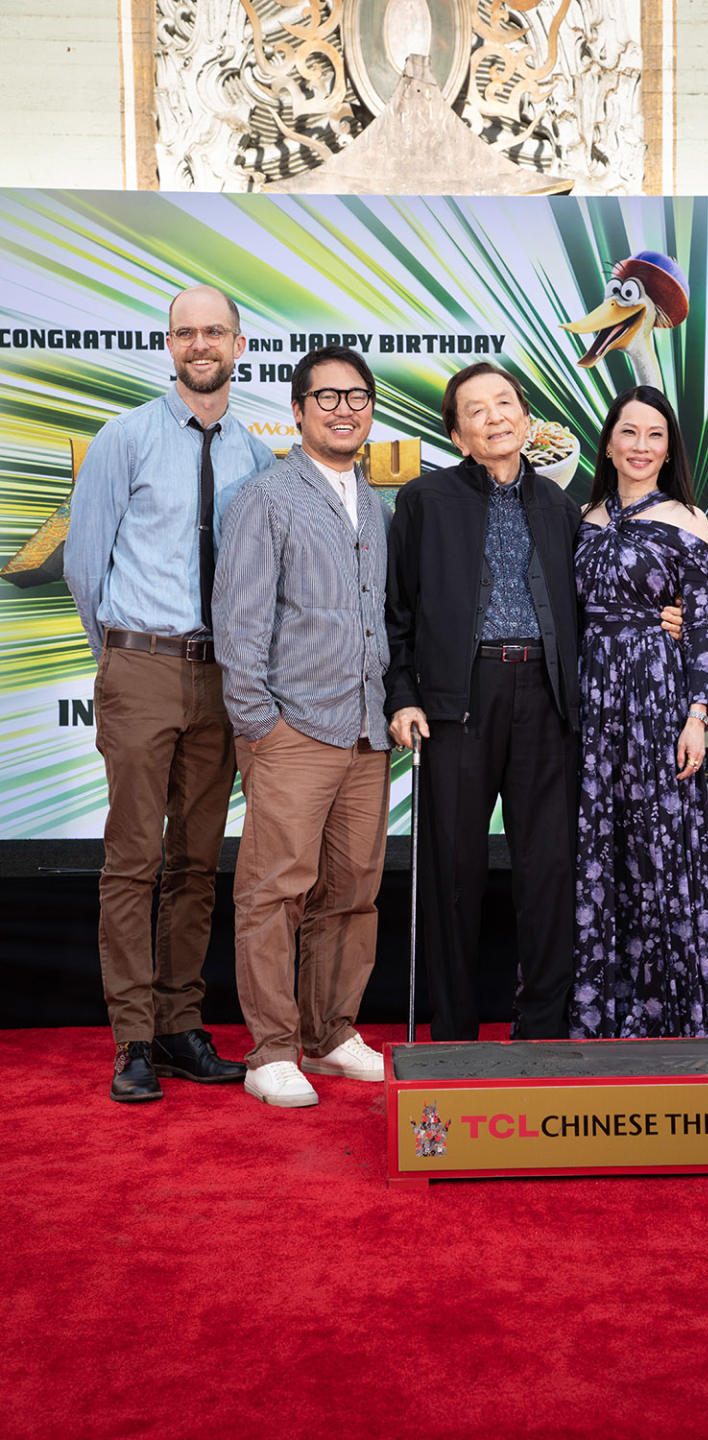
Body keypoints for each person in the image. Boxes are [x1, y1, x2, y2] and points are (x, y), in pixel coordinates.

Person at [385, 363, 680, 1041]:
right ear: (459, 435)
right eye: (476, 410)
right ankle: (454, 1034)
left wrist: (660, 616)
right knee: (452, 875)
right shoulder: (425, 502)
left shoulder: (558, 506)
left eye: (506, 404)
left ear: (527, 418)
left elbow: (599, 600)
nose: (495, 417)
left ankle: (542, 1030)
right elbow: (396, 611)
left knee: (549, 871)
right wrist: (402, 696)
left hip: (547, 701)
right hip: (458, 704)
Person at [63, 285, 274, 1102]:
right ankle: (132, 1039)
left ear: (238, 343)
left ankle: (182, 1025)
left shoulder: (254, 452)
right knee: (132, 860)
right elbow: (86, 566)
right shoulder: (126, 438)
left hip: (221, 676)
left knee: (195, 861)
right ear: (169, 345)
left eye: (214, 330)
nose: (200, 343)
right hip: (142, 664)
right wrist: (120, 658)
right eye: (185, 332)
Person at [212, 346, 391, 1107]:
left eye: (356, 397)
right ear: (297, 409)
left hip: (365, 732)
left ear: (371, 410)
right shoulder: (268, 497)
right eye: (327, 397)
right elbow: (239, 622)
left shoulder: (376, 503)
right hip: (293, 732)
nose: (343, 409)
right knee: (273, 891)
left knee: (352, 891)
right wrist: (261, 726)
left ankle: (332, 1032)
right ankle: (271, 1050)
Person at [568, 385, 708, 1039]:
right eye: (630, 433)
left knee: (660, 849)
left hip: (656, 698)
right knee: (599, 849)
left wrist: (695, 716)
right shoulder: (580, 517)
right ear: (609, 441)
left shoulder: (688, 519)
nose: (641, 447)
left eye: (655, 436)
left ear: (669, 450)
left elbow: (698, 628)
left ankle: (677, 1013)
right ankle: (604, 1011)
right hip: (591, 700)